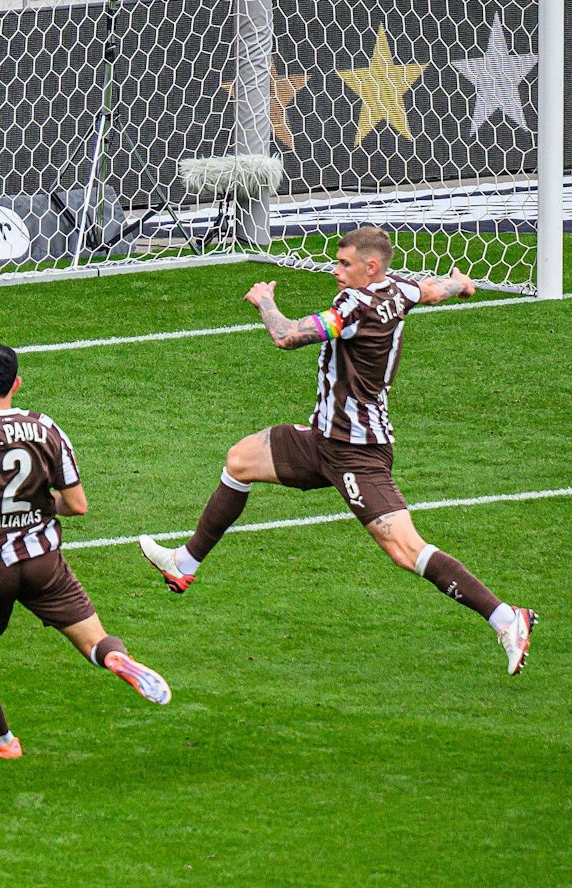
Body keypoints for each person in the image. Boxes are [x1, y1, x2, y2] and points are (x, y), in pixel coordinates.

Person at [138, 227, 539, 674]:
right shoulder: (397, 288)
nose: (335, 271)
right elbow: (430, 290)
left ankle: (507, 618)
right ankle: (184, 562)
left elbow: (287, 336)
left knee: (405, 549)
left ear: (371, 267)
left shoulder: (354, 306)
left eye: (344, 264)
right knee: (240, 460)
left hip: (357, 452)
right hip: (322, 440)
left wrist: (264, 299)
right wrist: (461, 283)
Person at [0, 344, 171, 760]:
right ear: (16, 384)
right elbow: (77, 504)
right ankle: (116, 660)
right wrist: (39, 508)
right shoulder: (46, 428)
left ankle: (3, 741)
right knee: (94, 641)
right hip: (43, 561)